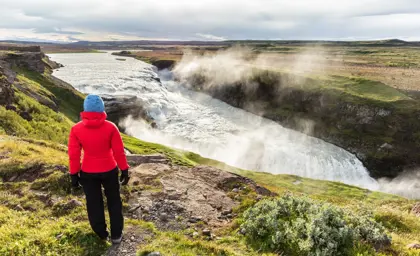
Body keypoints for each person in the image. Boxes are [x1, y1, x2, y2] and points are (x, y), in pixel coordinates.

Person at [68, 94, 130, 244]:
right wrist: (124, 169)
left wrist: (74, 175)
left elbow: (74, 155)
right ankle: (116, 235)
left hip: (88, 172)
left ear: (85, 110)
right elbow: (119, 151)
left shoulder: (76, 129)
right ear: (102, 109)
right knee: (114, 202)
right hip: (109, 169)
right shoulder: (111, 127)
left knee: (94, 203)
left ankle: (101, 234)